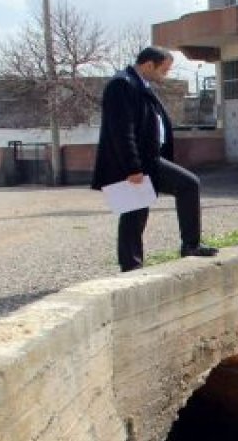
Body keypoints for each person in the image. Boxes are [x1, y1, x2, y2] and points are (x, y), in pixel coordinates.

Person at [92, 46, 218, 272]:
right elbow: (121, 130)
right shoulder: (122, 84)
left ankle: (190, 245)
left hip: (150, 159)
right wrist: (133, 167)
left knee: (186, 186)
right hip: (132, 164)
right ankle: (131, 267)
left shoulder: (141, 84)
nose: (165, 75)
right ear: (149, 65)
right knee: (135, 212)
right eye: (164, 70)